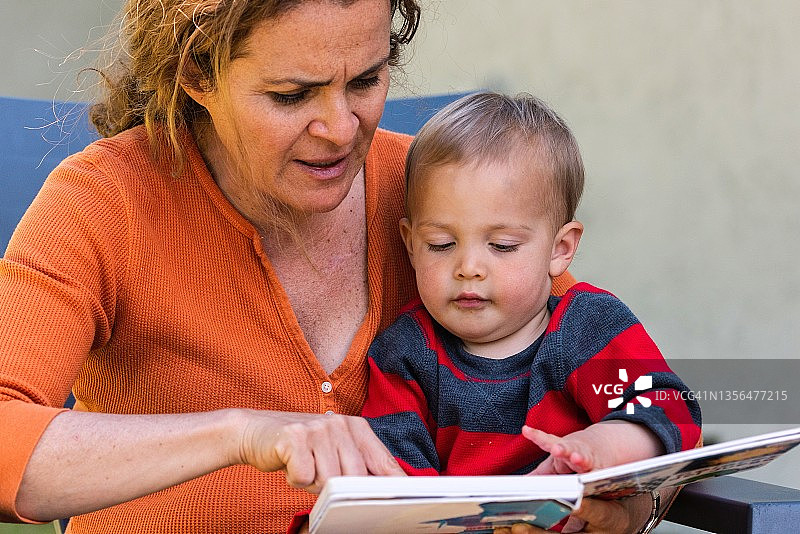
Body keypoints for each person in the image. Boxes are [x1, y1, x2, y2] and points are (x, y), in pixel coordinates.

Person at [0, 1, 682, 533]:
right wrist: (240, 433)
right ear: (198, 75)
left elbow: (648, 399)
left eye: (365, 80)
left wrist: (635, 503)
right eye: (293, 95)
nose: (340, 128)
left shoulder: (441, 201)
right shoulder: (102, 203)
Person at [361, 92, 702, 532]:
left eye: (502, 246)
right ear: (410, 244)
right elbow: (396, 480)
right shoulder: (406, 353)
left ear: (560, 250)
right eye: (441, 245)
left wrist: (602, 447)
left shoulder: (587, 326)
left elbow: (671, 409)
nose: (468, 268)